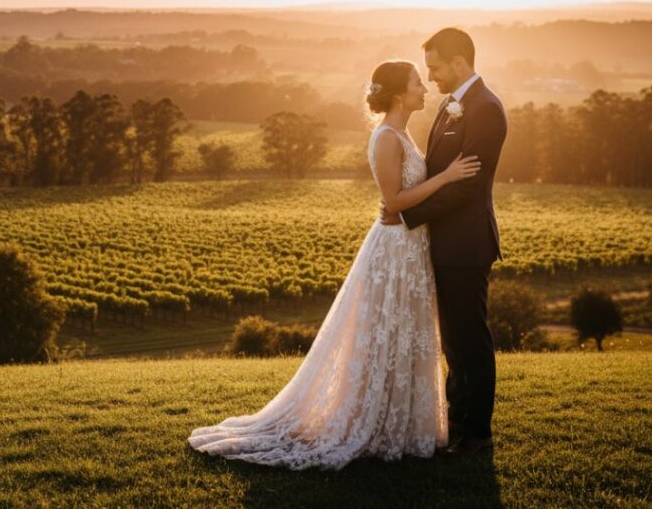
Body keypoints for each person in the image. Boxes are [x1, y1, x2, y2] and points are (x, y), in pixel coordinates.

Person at [188, 59, 481, 470]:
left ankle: (402, 424)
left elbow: (403, 199)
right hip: (394, 250)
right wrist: (447, 177)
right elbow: (394, 202)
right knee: (383, 333)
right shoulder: (385, 137)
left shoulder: (403, 132)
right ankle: (369, 422)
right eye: (418, 82)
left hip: (412, 248)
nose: (425, 87)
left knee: (403, 333)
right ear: (399, 93)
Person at [381, 27, 507, 454]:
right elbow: (438, 174)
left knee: (470, 337)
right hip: (443, 242)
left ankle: (477, 434)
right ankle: (457, 419)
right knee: (453, 338)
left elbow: (465, 186)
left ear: (459, 63)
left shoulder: (486, 109)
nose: (430, 76)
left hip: (467, 244)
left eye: (434, 67)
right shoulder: (453, 105)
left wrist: (407, 211)